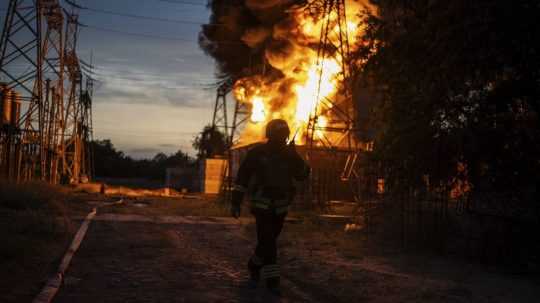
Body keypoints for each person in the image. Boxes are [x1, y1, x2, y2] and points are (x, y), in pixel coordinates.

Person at [230, 119, 310, 294]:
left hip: (280, 208)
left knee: (266, 243)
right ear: (270, 136)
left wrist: (295, 157)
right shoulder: (257, 153)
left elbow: (303, 175)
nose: (281, 140)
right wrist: (235, 202)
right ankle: (273, 282)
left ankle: (254, 265)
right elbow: (242, 178)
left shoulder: (289, 154)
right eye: (278, 136)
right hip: (262, 206)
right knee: (269, 242)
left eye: (283, 136)